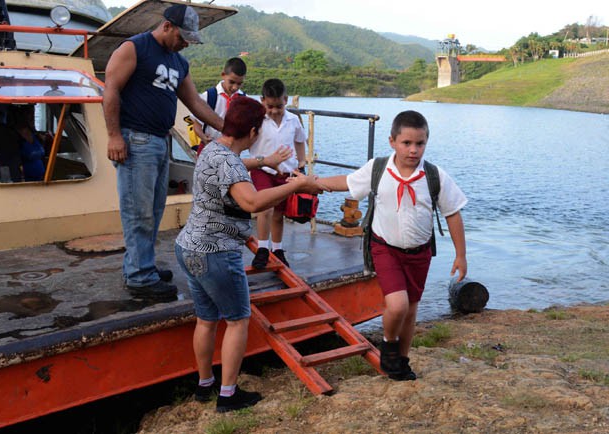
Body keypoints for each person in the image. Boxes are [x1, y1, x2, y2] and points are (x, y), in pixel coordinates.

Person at [175, 96, 325, 412]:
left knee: (206, 320)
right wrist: (297, 185)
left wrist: (264, 161)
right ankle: (228, 396)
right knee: (238, 320)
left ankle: (205, 386)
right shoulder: (230, 163)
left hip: (188, 246)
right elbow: (253, 203)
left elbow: (235, 166)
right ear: (254, 131)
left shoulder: (212, 149)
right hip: (216, 253)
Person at [317, 110, 467, 381]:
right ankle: (388, 343)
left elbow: (453, 213)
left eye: (420, 143)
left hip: (420, 253)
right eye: (406, 143)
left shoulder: (434, 176)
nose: (413, 150)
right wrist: (312, 183)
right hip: (385, 248)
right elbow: (347, 183)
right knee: (397, 305)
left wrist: (461, 255)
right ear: (392, 141)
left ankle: (403, 361)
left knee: (410, 310)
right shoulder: (379, 169)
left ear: (426, 143)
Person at [103, 4, 224, 300]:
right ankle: (140, 277)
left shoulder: (179, 63)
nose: (185, 44)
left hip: (160, 141)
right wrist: (114, 136)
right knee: (138, 211)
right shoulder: (135, 48)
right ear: (167, 26)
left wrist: (228, 127)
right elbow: (110, 90)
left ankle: (140, 266)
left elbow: (195, 102)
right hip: (135, 140)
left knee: (154, 211)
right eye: (183, 37)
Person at [248, 78, 307, 269]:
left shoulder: (293, 120)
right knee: (265, 208)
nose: (274, 111)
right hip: (262, 169)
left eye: (279, 106)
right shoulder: (257, 120)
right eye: (270, 106)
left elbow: (299, 141)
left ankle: (278, 248)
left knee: (279, 212)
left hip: (286, 171)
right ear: (262, 100)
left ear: (286, 100)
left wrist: (301, 163)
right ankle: (263, 247)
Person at [191, 57, 247, 154]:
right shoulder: (209, 96)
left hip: (231, 150)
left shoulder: (243, 100)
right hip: (208, 147)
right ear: (223, 75)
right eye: (232, 82)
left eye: (239, 84)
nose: (235, 87)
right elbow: (197, 124)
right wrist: (204, 138)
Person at [12, 104, 47, 182]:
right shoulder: (14, 135)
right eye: (30, 114)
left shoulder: (35, 134)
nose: (33, 117)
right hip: (25, 179)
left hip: (41, 177)